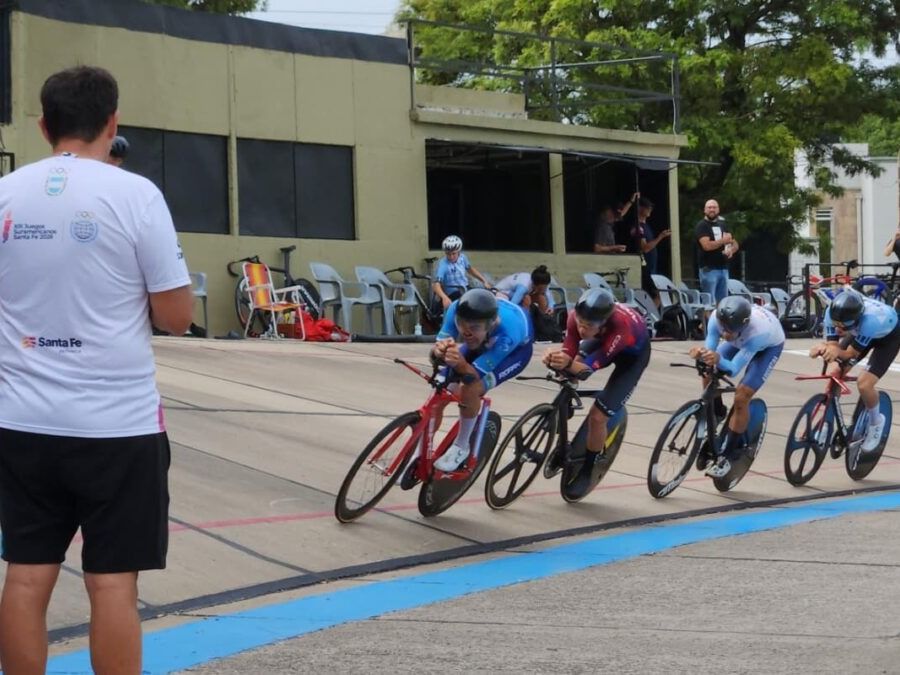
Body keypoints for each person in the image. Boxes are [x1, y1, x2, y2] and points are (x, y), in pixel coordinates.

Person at [0, 66, 193, 675]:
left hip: (22, 421)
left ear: (42, 125)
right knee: (112, 587)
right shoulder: (136, 195)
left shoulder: (6, 194)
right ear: (112, 125)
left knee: (26, 577)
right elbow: (176, 316)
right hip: (118, 427)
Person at [542, 288, 650, 488]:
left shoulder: (620, 327)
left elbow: (588, 369)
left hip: (631, 357)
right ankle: (564, 423)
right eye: (580, 323)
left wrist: (568, 363)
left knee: (598, 417)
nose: (582, 329)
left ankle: (588, 469)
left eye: (588, 325)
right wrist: (555, 359)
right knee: (568, 371)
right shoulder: (576, 317)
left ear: (603, 324)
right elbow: (570, 350)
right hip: (601, 341)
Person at [431, 289, 533, 471]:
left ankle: (461, 446)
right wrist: (439, 351)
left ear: (492, 324)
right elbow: (435, 356)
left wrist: (459, 365)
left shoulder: (508, 334)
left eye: (474, 327)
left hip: (514, 354)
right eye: (461, 325)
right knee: (440, 386)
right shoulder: (456, 309)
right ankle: (421, 448)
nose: (466, 332)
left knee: (471, 387)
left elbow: (472, 376)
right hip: (484, 341)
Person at [689, 296, 784, 478]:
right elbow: (710, 350)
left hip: (768, 346)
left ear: (743, 325)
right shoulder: (717, 318)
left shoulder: (758, 333)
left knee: (742, 396)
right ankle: (717, 412)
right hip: (742, 341)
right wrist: (701, 354)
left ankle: (727, 455)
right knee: (708, 370)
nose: (725, 334)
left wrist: (718, 359)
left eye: (730, 331)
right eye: (723, 329)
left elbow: (733, 369)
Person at [808, 291, 898, 452]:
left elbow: (850, 354)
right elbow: (834, 347)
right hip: (860, 332)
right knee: (836, 373)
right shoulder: (832, 312)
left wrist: (832, 350)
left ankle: (876, 423)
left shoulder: (871, 321)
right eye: (837, 324)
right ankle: (826, 423)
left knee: (864, 384)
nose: (838, 329)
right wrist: (825, 347)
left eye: (843, 326)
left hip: (889, 338)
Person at [627, 197, 670, 308]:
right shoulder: (638, 227)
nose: (650, 209)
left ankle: (649, 316)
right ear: (640, 208)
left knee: (655, 294)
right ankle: (649, 317)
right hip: (643, 267)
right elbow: (645, 248)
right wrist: (660, 237)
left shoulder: (646, 226)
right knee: (658, 294)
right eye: (647, 207)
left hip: (651, 267)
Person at [432, 235, 493, 310]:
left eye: (454, 253)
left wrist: (484, 281)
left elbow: (470, 269)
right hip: (453, 292)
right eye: (448, 254)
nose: (451, 257)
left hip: (465, 288)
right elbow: (436, 284)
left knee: (483, 295)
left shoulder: (463, 258)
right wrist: (444, 297)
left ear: (459, 252)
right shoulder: (443, 264)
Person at [695, 199, 738, 303]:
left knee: (723, 303)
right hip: (709, 269)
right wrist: (723, 241)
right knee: (709, 302)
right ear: (705, 210)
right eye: (709, 207)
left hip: (723, 269)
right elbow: (706, 246)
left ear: (718, 210)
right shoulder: (702, 226)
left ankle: (719, 319)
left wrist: (731, 250)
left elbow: (734, 243)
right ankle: (708, 319)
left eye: (714, 207)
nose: (712, 209)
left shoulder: (723, 225)